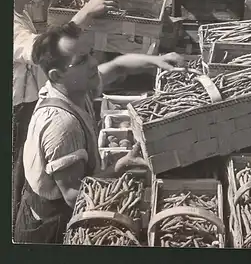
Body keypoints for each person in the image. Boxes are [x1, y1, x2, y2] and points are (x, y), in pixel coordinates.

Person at [14, 22, 184, 244]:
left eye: (91, 53)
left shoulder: (76, 87)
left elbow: (118, 66)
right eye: (82, 60)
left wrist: (156, 61)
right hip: (49, 228)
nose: (94, 62)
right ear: (56, 76)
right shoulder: (62, 126)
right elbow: (74, 196)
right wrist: (117, 168)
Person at [12, 0, 119, 226]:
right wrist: (84, 13)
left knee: (34, 169)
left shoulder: (17, 10)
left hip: (27, 103)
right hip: (17, 110)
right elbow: (40, 51)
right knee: (24, 176)